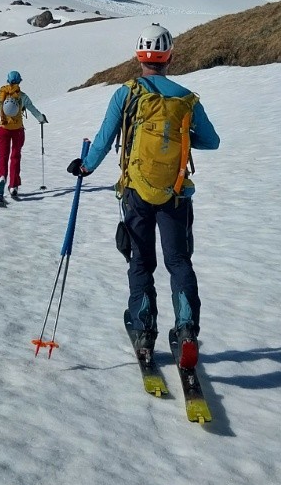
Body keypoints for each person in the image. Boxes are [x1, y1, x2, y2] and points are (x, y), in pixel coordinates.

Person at [67, 24, 219, 368]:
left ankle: (145, 329)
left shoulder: (128, 93)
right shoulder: (186, 97)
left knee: (140, 261)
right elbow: (212, 141)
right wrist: (178, 136)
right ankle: (186, 330)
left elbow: (105, 138)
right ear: (169, 57)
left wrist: (85, 168)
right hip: (176, 193)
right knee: (178, 261)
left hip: (135, 190)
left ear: (139, 56)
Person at [0, 71, 47, 200]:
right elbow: (33, 109)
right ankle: (13, 186)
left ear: (7, 80)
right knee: (15, 156)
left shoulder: (1, 95)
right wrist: (41, 119)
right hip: (18, 131)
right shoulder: (23, 97)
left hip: (3, 130)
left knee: (3, 156)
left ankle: (2, 177)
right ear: (19, 82)